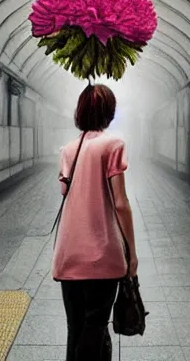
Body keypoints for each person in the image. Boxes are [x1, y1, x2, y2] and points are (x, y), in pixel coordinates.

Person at [52, 83, 138, 361]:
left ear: (80, 112)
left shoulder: (68, 149)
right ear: (109, 112)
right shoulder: (114, 145)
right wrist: (132, 253)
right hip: (102, 255)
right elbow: (121, 203)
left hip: (69, 254)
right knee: (96, 327)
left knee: (76, 329)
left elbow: (65, 191)